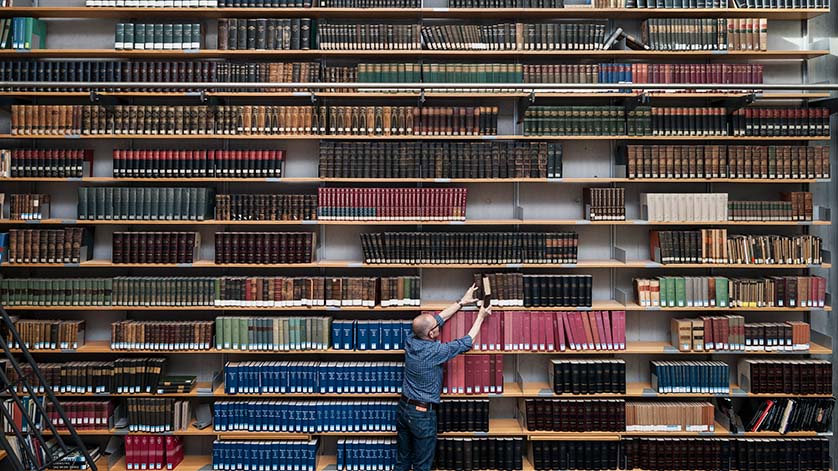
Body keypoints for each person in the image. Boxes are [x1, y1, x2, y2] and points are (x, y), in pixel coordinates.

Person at [395, 284, 492, 471]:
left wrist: (462, 302)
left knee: (402, 461)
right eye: (436, 327)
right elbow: (466, 342)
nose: (439, 324)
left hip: (403, 409)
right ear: (431, 334)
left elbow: (440, 318)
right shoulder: (435, 351)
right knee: (423, 465)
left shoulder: (410, 339)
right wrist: (480, 317)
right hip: (422, 414)